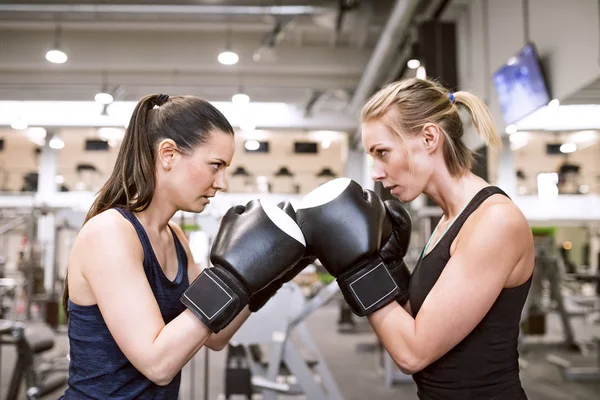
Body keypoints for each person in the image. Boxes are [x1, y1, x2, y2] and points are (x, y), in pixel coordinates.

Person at [295, 77, 534, 399]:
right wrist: (388, 267)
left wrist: (358, 269)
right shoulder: (449, 221)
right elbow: (417, 321)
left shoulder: (493, 221)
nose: (377, 173)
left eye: (383, 153)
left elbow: (413, 353)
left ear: (429, 137)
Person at [60, 94, 308, 399]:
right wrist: (232, 277)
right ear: (168, 154)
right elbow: (158, 364)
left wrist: (275, 272)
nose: (223, 182)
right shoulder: (110, 233)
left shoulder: (175, 238)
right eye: (215, 165)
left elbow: (216, 335)